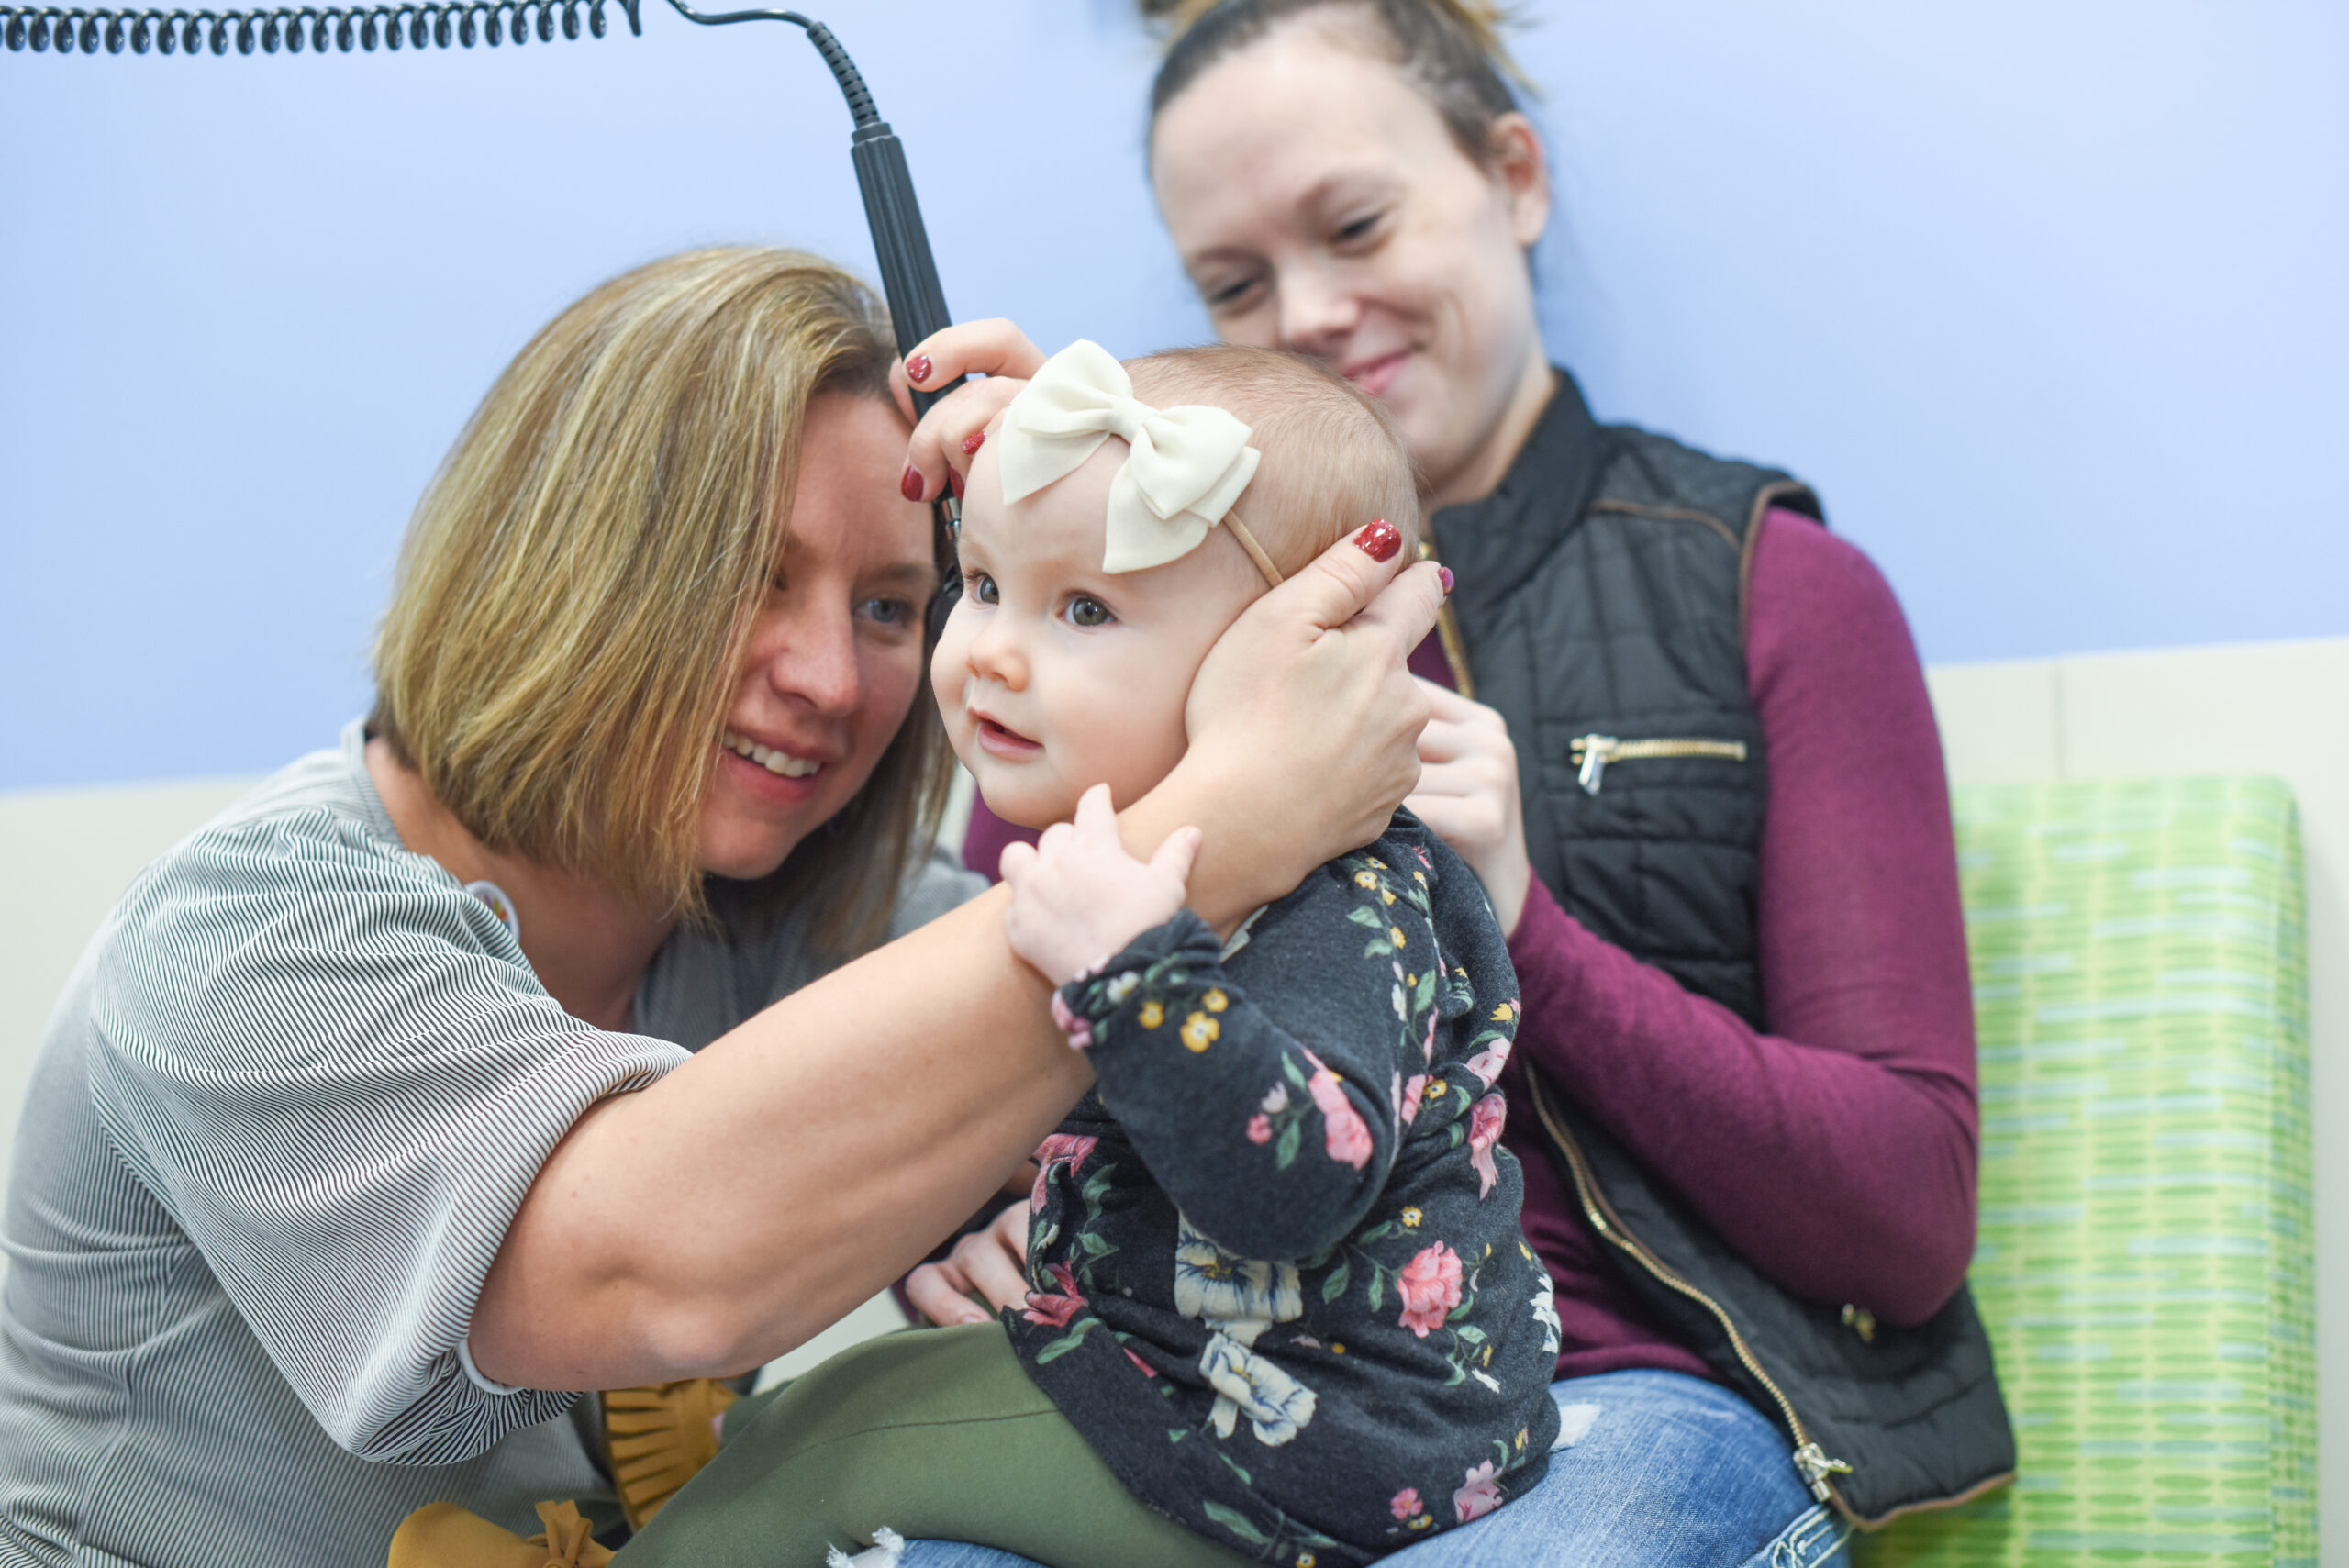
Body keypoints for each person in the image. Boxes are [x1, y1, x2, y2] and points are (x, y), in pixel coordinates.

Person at [0, 248, 1447, 1568]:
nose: (828, 677)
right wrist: (1238, 813)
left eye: (895, 607)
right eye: (750, 582)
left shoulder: (789, 925)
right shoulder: (250, 931)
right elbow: (649, 1263)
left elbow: (1231, 1026)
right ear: (559, 562)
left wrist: (1100, 557)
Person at [900, 3, 2014, 1564]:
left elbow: (1905, 1220)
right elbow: (981, 1048)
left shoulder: (1771, 587)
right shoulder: (1105, 634)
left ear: (1515, 176)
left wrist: (1523, 929)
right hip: (1195, 1390)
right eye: (1233, 283)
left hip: (1624, 1402)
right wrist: (1053, 552)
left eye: (1355, 225)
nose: (1307, 313)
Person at [557, 341, 1561, 1568]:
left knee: (825, 1441)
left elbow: (1296, 1184)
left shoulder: (1339, 899)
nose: (991, 649)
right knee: (812, 1408)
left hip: (1322, 1440)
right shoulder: (1157, 858)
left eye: (1083, 609)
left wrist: (1133, 975)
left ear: (1297, 653)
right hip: (1221, 1377)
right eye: (978, 584)